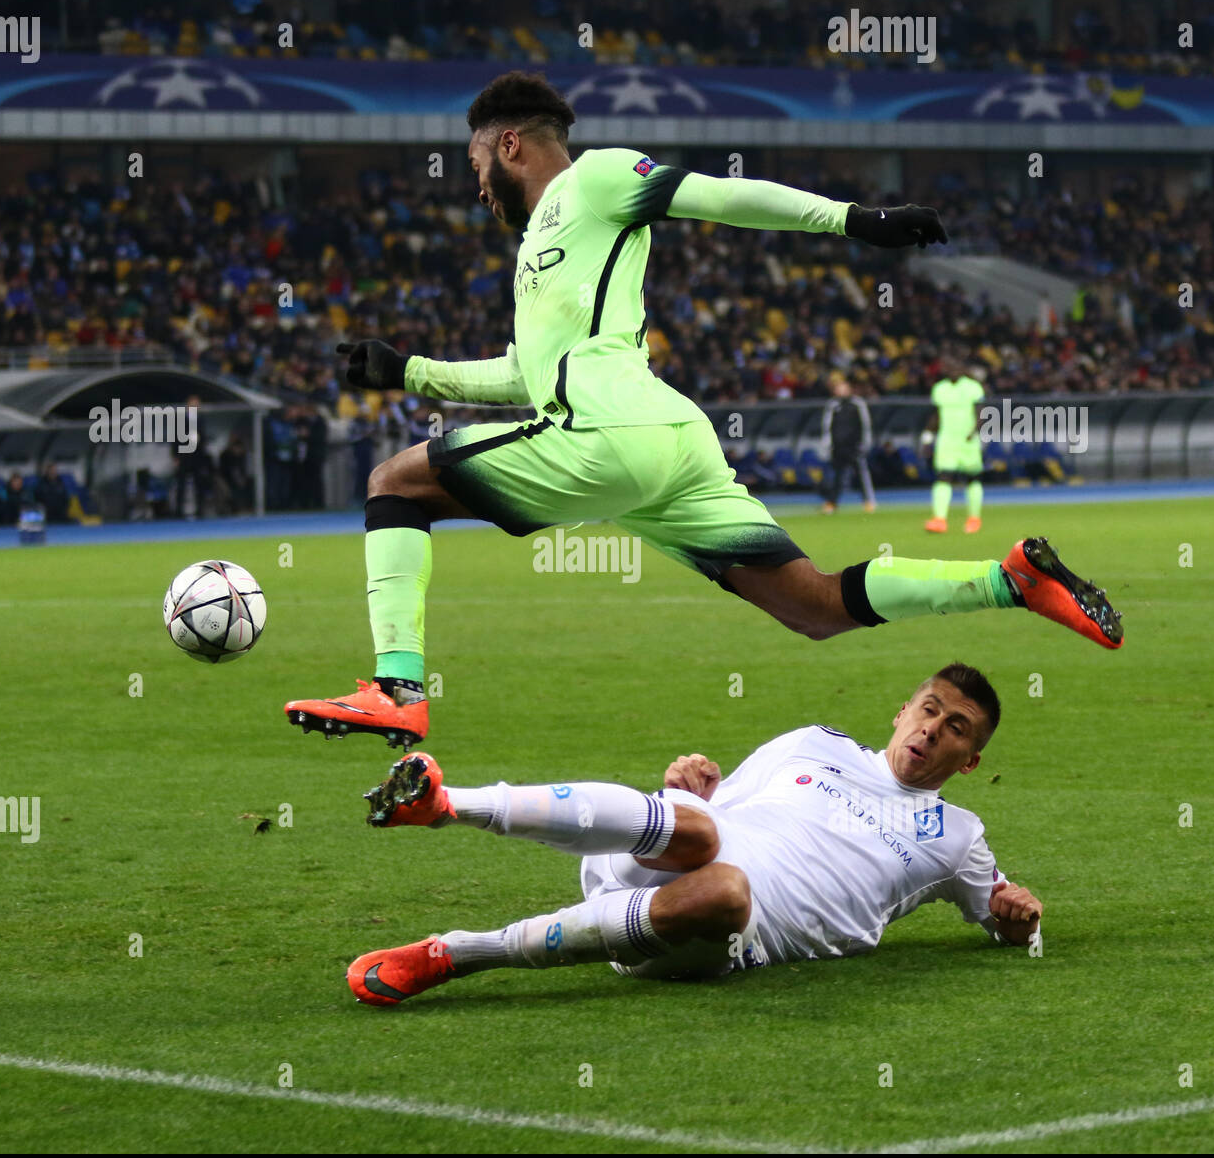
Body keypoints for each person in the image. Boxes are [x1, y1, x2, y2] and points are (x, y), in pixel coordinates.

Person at [283, 72, 1121, 750]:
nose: (477, 191)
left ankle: (397, 691)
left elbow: (721, 195)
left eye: (475, 169)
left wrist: (853, 221)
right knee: (814, 607)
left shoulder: (597, 177)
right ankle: (1009, 580)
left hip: (612, 431)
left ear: (509, 144)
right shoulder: (546, 252)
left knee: (395, 480)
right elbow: (527, 375)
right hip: (667, 443)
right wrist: (411, 371)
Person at [344, 663, 1043, 1006]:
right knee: (702, 832)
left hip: (717, 932)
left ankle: (461, 954)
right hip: (651, 861)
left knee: (728, 887)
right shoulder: (813, 743)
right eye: (929, 709)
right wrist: (692, 786)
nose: (931, 729)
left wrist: (1019, 916)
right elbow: (720, 804)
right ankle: (444, 803)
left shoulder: (957, 837)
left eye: (955, 728)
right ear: (901, 712)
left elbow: (1006, 919)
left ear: (970, 759)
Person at [925, 350, 986, 534]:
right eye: (948, 367)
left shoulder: (973, 387)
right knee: (944, 476)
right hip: (946, 440)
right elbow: (936, 415)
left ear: (962, 368)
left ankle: (974, 519)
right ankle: (939, 520)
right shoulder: (939, 389)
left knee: (972, 478)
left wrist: (974, 431)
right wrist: (927, 436)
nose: (952, 370)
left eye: (955, 366)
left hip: (968, 440)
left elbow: (981, 412)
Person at [819, 373, 876, 514]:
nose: (841, 391)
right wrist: (826, 444)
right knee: (837, 476)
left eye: (844, 388)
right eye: (839, 388)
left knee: (861, 474)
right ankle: (832, 503)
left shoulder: (858, 404)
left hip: (855, 445)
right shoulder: (832, 405)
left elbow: (865, 424)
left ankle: (868, 501)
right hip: (838, 447)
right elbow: (827, 426)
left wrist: (865, 442)